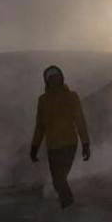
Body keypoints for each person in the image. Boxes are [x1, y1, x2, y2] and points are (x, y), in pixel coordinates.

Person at [28, 65, 91, 208]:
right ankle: (67, 205)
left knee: (59, 179)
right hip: (53, 146)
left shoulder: (72, 97)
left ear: (62, 78)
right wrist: (34, 147)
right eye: (51, 78)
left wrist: (86, 144)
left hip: (69, 144)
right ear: (47, 81)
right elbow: (40, 126)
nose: (55, 80)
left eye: (57, 77)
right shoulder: (43, 100)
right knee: (58, 180)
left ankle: (69, 206)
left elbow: (80, 121)